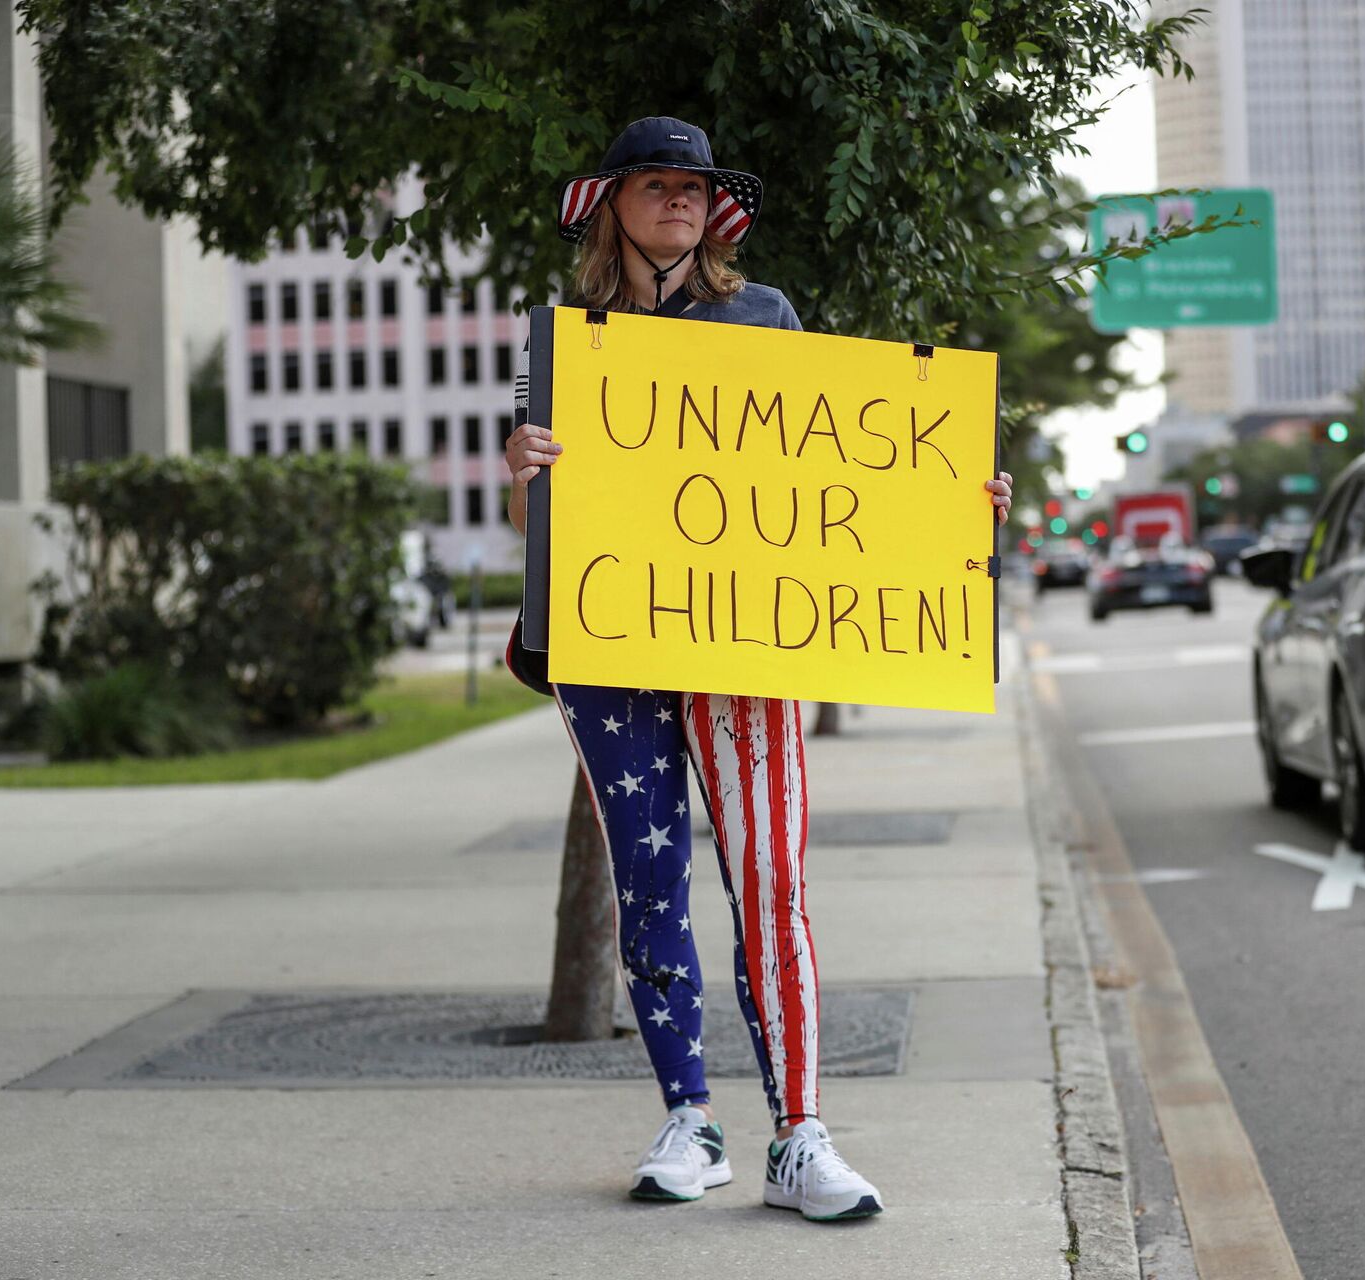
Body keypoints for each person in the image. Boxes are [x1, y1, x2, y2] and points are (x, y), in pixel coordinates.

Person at [503, 117, 1014, 1222]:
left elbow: (820, 479)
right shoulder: (564, 338)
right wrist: (522, 472)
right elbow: (534, 526)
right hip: (610, 645)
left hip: (743, 641)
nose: (679, 199)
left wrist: (952, 505)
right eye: (657, 183)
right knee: (651, 886)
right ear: (614, 205)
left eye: (694, 185)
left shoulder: (761, 314)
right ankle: (690, 1115)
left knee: (771, 880)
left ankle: (801, 1132)